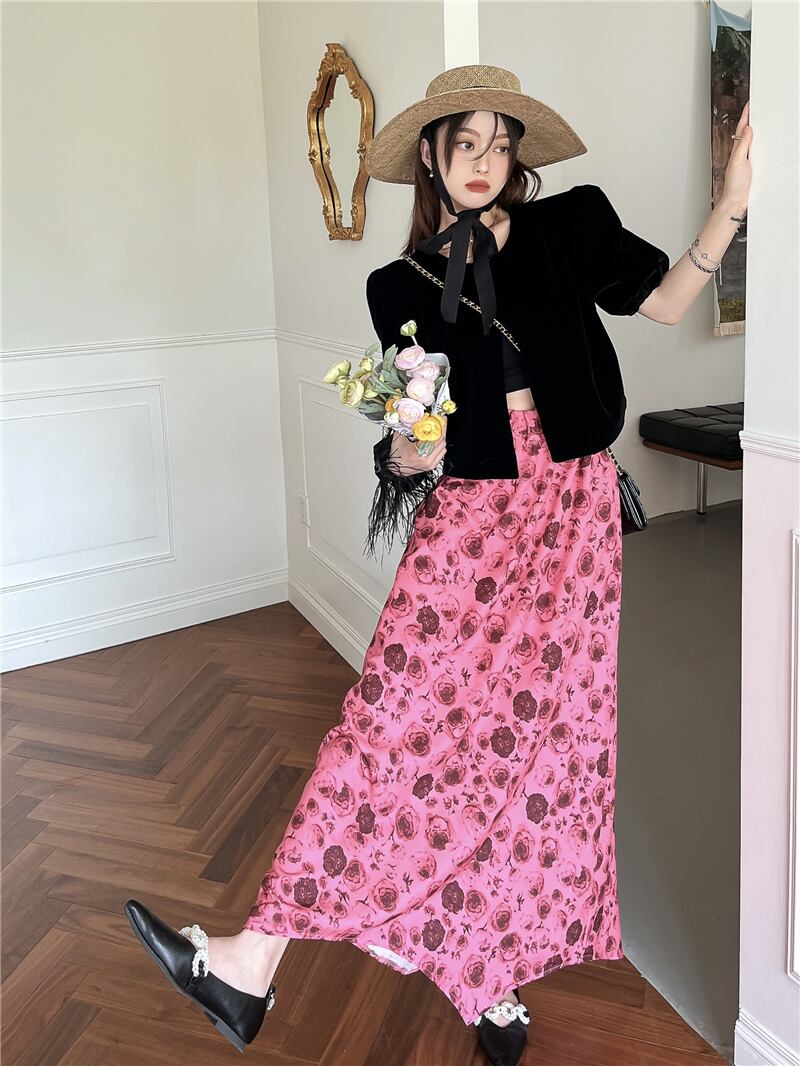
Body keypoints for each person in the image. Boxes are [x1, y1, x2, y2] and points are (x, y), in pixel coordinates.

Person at [124, 65, 751, 1065]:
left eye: (501, 144)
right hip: (471, 519)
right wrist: (406, 448)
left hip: (573, 511)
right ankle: (251, 958)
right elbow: (416, 443)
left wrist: (730, 204)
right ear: (430, 153)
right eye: (466, 144)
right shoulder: (399, 286)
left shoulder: (572, 224)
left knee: (545, 745)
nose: (484, 162)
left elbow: (669, 302)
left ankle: (488, 975)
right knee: (389, 723)